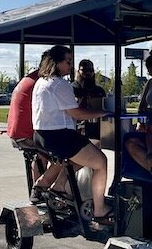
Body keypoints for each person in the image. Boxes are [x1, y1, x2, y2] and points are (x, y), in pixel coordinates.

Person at [32, 45, 110, 228]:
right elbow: (77, 114)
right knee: (101, 162)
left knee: (85, 155)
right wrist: (102, 112)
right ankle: (100, 210)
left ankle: (57, 186)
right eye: (67, 61)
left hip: (42, 134)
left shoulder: (41, 82)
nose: (70, 65)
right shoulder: (60, 84)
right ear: (56, 63)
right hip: (60, 135)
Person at [8, 51, 66, 198]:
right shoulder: (43, 82)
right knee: (67, 153)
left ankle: (39, 190)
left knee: (44, 153)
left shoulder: (30, 78)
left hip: (17, 131)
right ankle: (45, 188)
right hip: (27, 133)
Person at [71, 59, 106, 139]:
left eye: (90, 70)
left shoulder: (99, 91)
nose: (88, 73)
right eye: (84, 70)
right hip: (77, 128)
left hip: (97, 128)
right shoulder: (72, 89)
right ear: (78, 71)